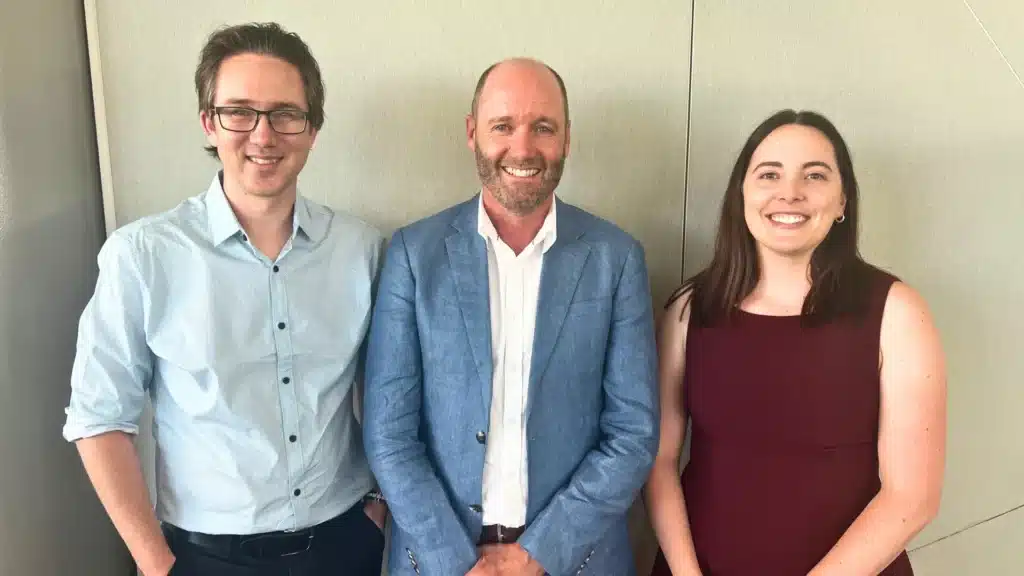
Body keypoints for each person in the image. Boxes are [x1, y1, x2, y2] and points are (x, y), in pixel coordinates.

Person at [62, 22, 386, 576]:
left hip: (345, 546)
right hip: (201, 558)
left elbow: (387, 392)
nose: (264, 136)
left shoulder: (360, 248)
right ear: (209, 122)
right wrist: (155, 563)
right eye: (240, 112)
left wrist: (376, 509)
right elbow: (98, 419)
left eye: (286, 114)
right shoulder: (142, 255)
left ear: (312, 129)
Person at [362, 57, 659, 576]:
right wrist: (455, 560)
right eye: (503, 126)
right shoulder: (414, 254)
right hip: (436, 562)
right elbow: (388, 433)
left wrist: (540, 553)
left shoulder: (616, 258)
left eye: (543, 128)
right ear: (473, 133)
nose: (522, 149)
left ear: (567, 139)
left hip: (578, 560)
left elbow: (633, 432)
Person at [645, 109, 947, 575]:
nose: (790, 193)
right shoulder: (689, 309)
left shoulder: (897, 312)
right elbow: (659, 463)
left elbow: (913, 496)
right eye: (769, 175)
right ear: (741, 195)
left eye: (815, 175)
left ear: (842, 199)